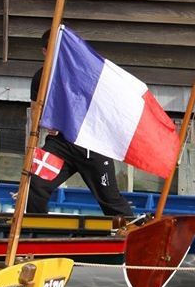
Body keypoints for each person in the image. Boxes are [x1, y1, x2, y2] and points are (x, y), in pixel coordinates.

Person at [26, 29, 134, 219]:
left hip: (92, 143)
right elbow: (36, 112)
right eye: (53, 49)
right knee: (34, 184)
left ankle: (130, 234)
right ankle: (37, 230)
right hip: (60, 143)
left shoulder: (84, 72)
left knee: (109, 198)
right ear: (44, 51)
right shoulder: (40, 78)